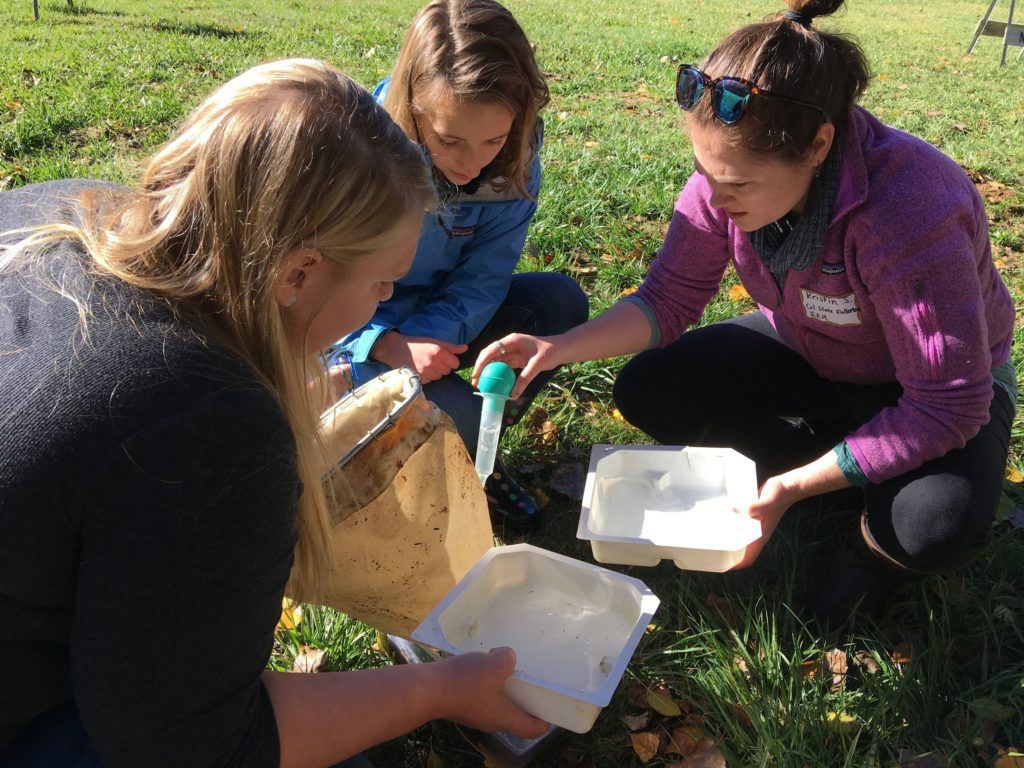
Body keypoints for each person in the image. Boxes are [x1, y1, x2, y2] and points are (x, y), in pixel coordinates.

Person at [0, 59, 548, 768]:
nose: (383, 301)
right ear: (296, 273)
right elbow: (199, 748)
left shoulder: (63, 207)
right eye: (382, 284)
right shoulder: (204, 421)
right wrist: (441, 688)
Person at [473, 0, 1017, 628]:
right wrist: (556, 348)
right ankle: (841, 468)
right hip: (810, 346)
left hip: (924, 388)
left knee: (932, 526)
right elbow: (668, 298)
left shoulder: (909, 209)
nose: (714, 195)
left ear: (818, 146)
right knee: (652, 387)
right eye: (704, 172)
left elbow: (948, 402)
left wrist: (793, 485)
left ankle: (870, 548)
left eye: (737, 184)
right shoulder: (722, 179)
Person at [325, 0, 589, 529]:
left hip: (437, 322)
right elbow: (316, 286)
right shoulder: (353, 148)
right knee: (455, 418)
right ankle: (439, 458)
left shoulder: (513, 160)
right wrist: (383, 344)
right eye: (449, 140)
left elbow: (483, 279)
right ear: (412, 107)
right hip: (345, 331)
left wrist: (426, 340)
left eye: (493, 140)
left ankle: (465, 457)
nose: (472, 165)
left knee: (557, 304)